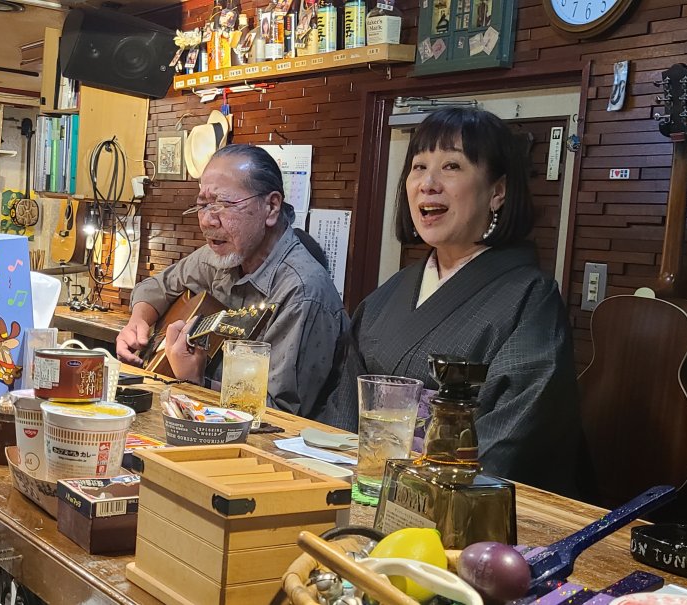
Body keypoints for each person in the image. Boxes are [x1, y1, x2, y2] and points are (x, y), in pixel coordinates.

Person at [318, 107, 580, 497]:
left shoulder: (530, 299)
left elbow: (512, 436)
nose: (428, 184)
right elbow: (343, 414)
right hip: (363, 490)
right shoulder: (386, 296)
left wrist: (419, 491)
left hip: (455, 503)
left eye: (452, 166)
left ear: (497, 192)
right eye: (419, 167)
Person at [116, 144, 348, 420]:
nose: (207, 221)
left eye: (223, 205)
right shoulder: (221, 256)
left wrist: (195, 381)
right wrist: (138, 322)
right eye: (203, 205)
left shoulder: (302, 291)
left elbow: (279, 414)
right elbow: (155, 287)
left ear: (271, 207)